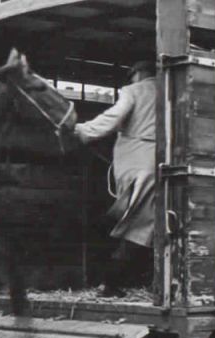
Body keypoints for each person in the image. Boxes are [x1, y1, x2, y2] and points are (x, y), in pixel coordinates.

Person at [74, 60, 157, 296]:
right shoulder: (172, 90)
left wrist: (80, 131)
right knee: (146, 223)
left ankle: (110, 282)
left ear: (138, 73)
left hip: (136, 164)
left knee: (134, 224)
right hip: (159, 162)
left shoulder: (134, 90)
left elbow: (113, 118)